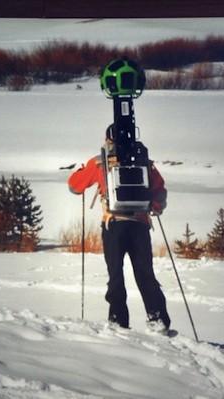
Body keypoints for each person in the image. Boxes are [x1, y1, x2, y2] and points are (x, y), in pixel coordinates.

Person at [67, 126, 171, 331]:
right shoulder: (144, 161)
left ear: (107, 138)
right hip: (140, 225)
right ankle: (158, 319)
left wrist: (80, 171)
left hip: (114, 224)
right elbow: (159, 191)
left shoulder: (100, 161)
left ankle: (118, 321)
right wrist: (155, 207)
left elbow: (74, 186)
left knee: (115, 273)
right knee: (145, 273)